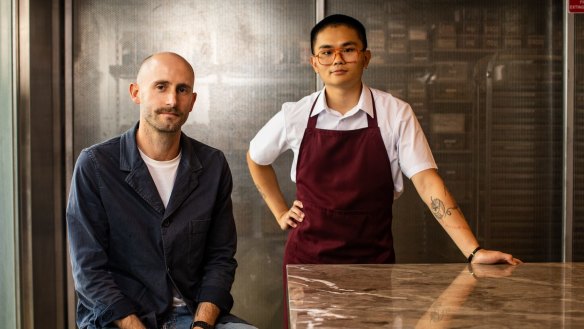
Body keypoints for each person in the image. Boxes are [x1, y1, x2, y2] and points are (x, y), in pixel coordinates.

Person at [247, 14, 522, 268]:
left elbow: (428, 182)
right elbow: (256, 158)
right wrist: (280, 211)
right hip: (307, 264)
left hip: (373, 264)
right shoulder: (294, 115)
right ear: (314, 62)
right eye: (327, 52)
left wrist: (473, 251)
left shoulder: (395, 113)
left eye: (349, 49)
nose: (338, 59)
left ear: (366, 57)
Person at [67, 52, 256, 329]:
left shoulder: (212, 165)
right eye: (161, 87)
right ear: (136, 93)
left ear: (192, 101)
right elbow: (89, 270)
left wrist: (202, 325)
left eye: (182, 90)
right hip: (119, 319)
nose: (172, 100)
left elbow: (220, 260)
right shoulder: (95, 165)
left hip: (192, 315)